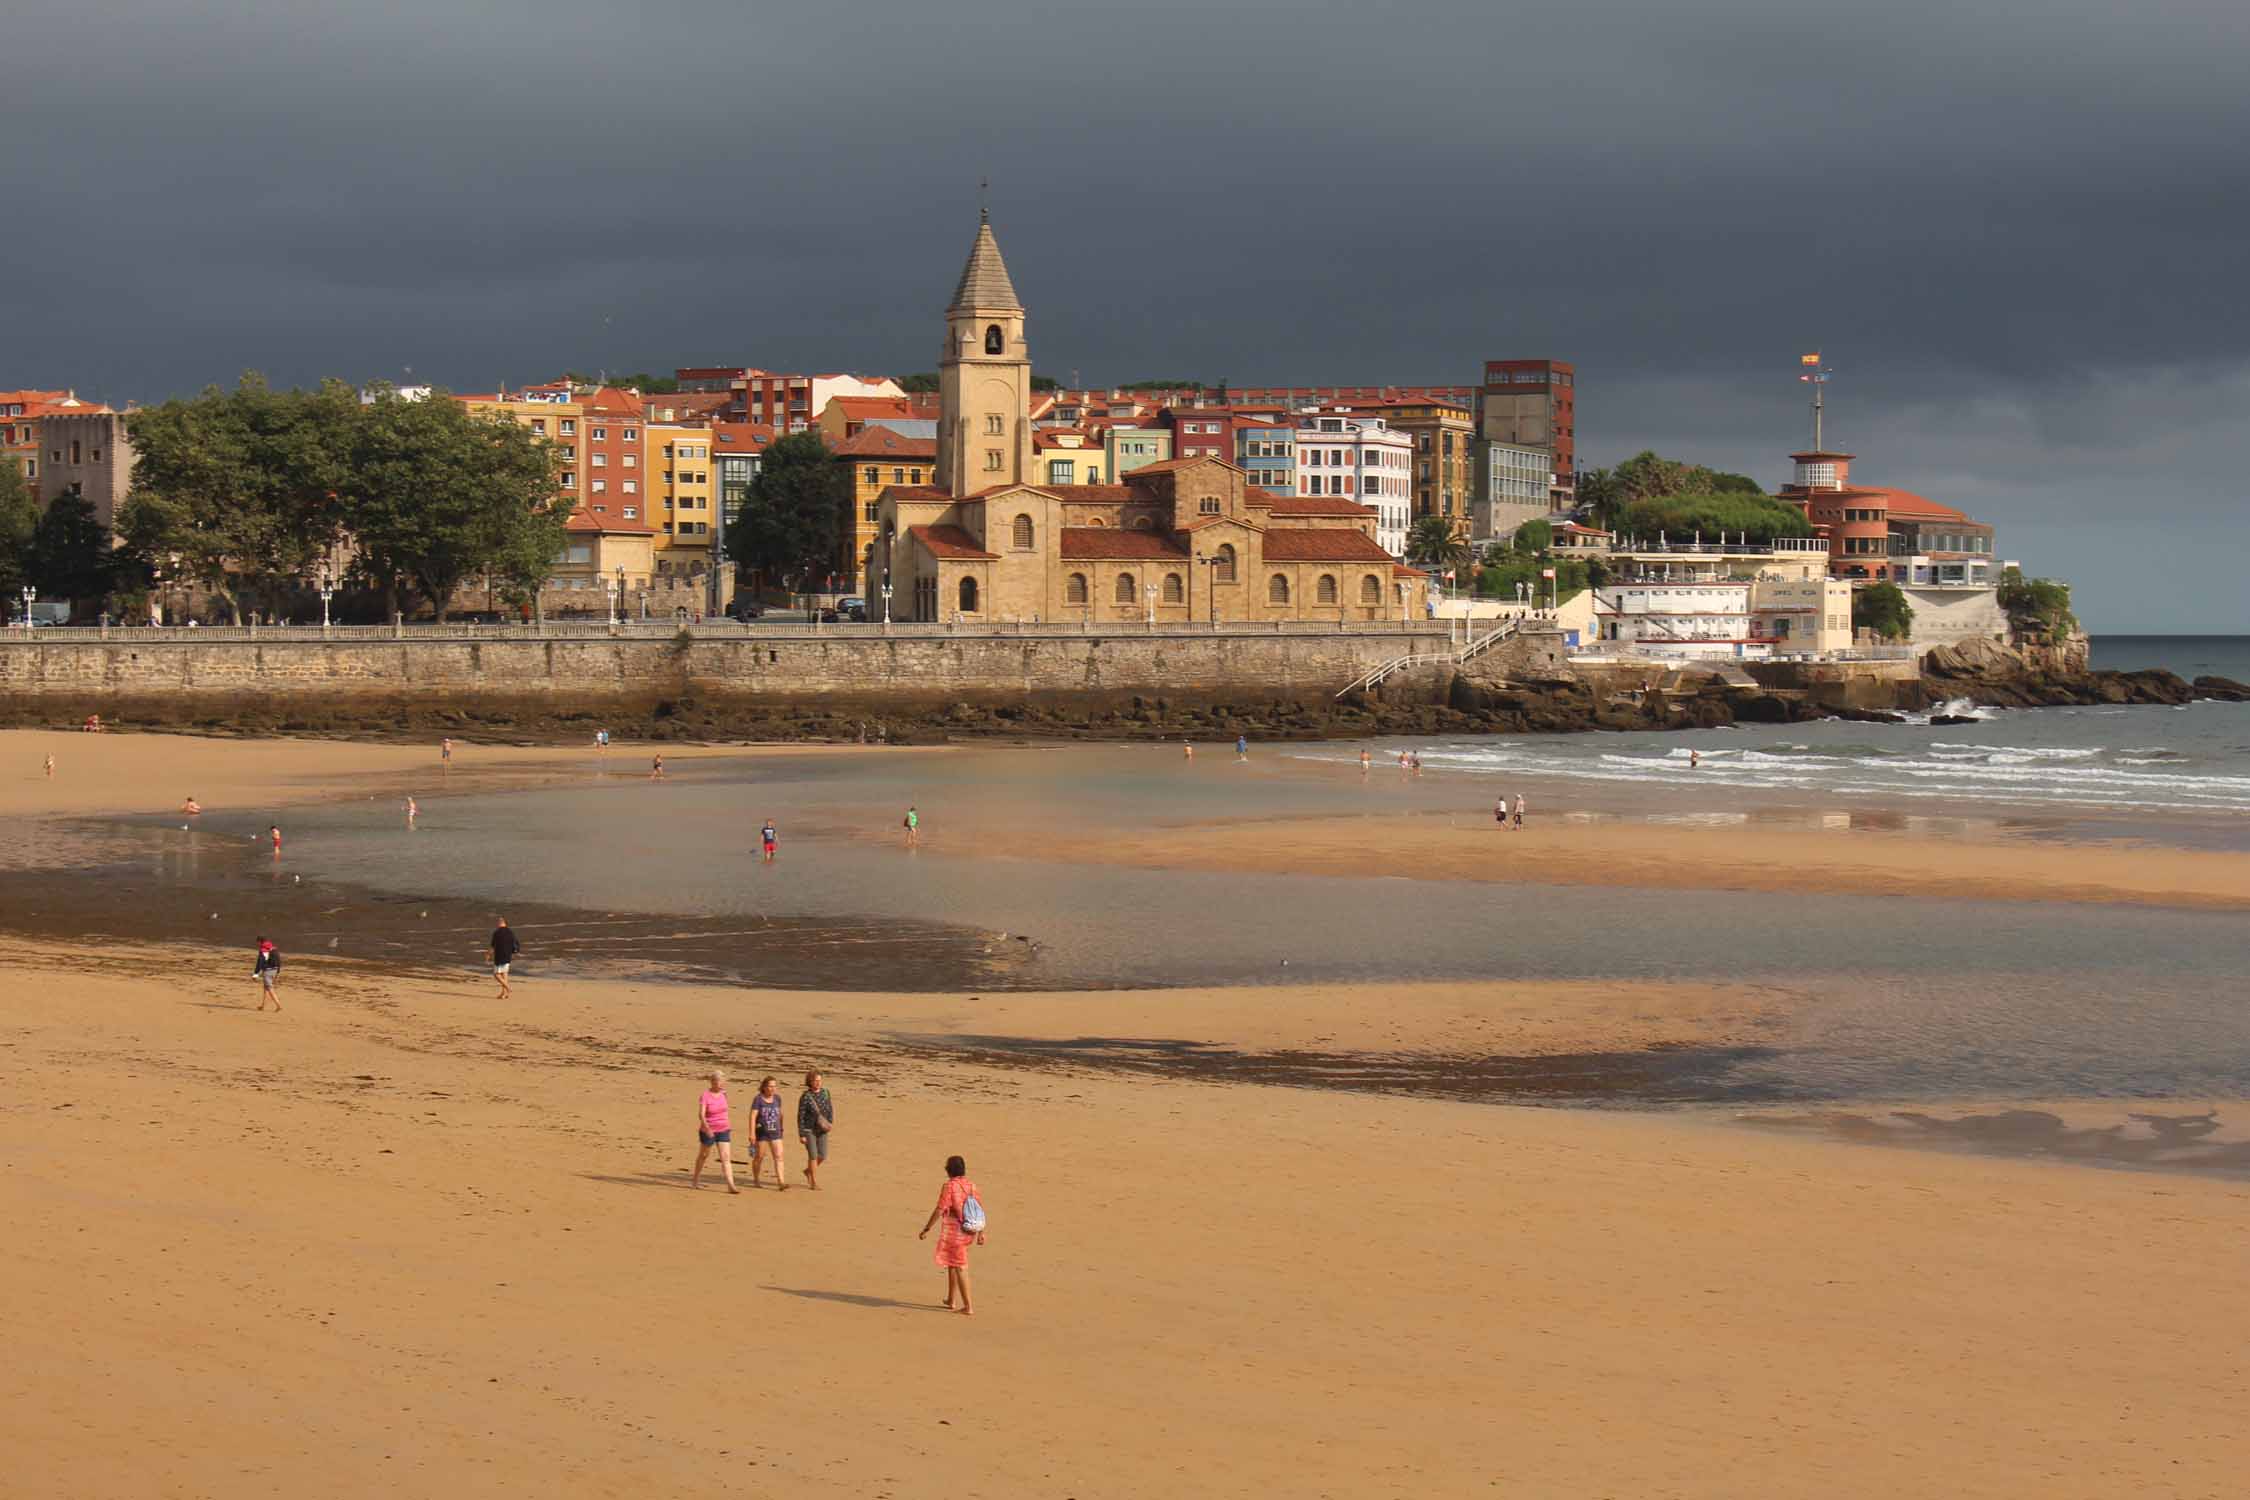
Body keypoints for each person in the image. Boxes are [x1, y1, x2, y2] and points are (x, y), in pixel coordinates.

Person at [919, 1155, 986, 1315]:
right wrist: (981, 1233)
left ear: (949, 1170)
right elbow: (979, 1209)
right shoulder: (971, 1185)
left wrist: (926, 1228)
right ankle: (951, 1299)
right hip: (969, 1231)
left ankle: (968, 1306)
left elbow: (940, 1209)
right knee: (952, 1263)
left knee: (961, 1266)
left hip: (955, 1233)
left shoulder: (949, 1186)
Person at [692, 1071, 739, 1193]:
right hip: (708, 1130)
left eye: (723, 1081)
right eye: (719, 1081)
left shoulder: (724, 1094)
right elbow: (701, 1115)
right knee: (703, 1155)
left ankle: (731, 1184)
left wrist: (727, 1123)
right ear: (712, 1082)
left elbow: (725, 1111)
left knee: (725, 1157)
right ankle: (695, 1180)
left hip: (723, 1129)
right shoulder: (705, 1095)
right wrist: (707, 1128)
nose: (721, 1083)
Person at [797, 1071, 834, 1190]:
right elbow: (800, 1116)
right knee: (813, 1155)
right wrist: (801, 1134)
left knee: (822, 1155)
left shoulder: (826, 1093)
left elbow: (830, 1108)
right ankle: (813, 1181)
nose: (818, 1083)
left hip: (822, 1129)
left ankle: (808, 1171)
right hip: (809, 1130)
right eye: (815, 1081)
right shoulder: (806, 1096)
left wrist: (830, 1122)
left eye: (819, 1080)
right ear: (810, 1082)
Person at [750, 1077, 788, 1189]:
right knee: (759, 1156)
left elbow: (780, 1114)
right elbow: (753, 1116)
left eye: (774, 1086)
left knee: (779, 1156)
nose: (772, 1088)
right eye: (770, 1086)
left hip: (776, 1132)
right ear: (764, 1087)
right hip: (762, 1133)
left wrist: (781, 1128)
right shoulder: (758, 1099)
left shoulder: (777, 1098)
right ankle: (756, 1179)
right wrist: (752, 1133)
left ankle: (781, 1181)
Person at [490, 918, 519, 999]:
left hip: (499, 956)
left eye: (498, 921)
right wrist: (514, 953)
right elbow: (515, 943)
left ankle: (508, 988)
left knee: (496, 975)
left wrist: (488, 954)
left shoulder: (497, 932)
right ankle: (504, 994)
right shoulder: (510, 932)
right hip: (508, 955)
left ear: (501, 923)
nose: (497, 923)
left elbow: (493, 946)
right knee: (504, 974)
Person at [252, 936, 282, 1011]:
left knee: (269, 988)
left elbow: (259, 963)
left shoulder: (263, 950)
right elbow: (278, 960)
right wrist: (278, 971)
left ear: (259, 942)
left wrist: (255, 974)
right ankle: (263, 1006)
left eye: (257, 942)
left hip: (267, 972)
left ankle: (278, 1005)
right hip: (275, 970)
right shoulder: (274, 948)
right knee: (265, 988)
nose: (257, 944)